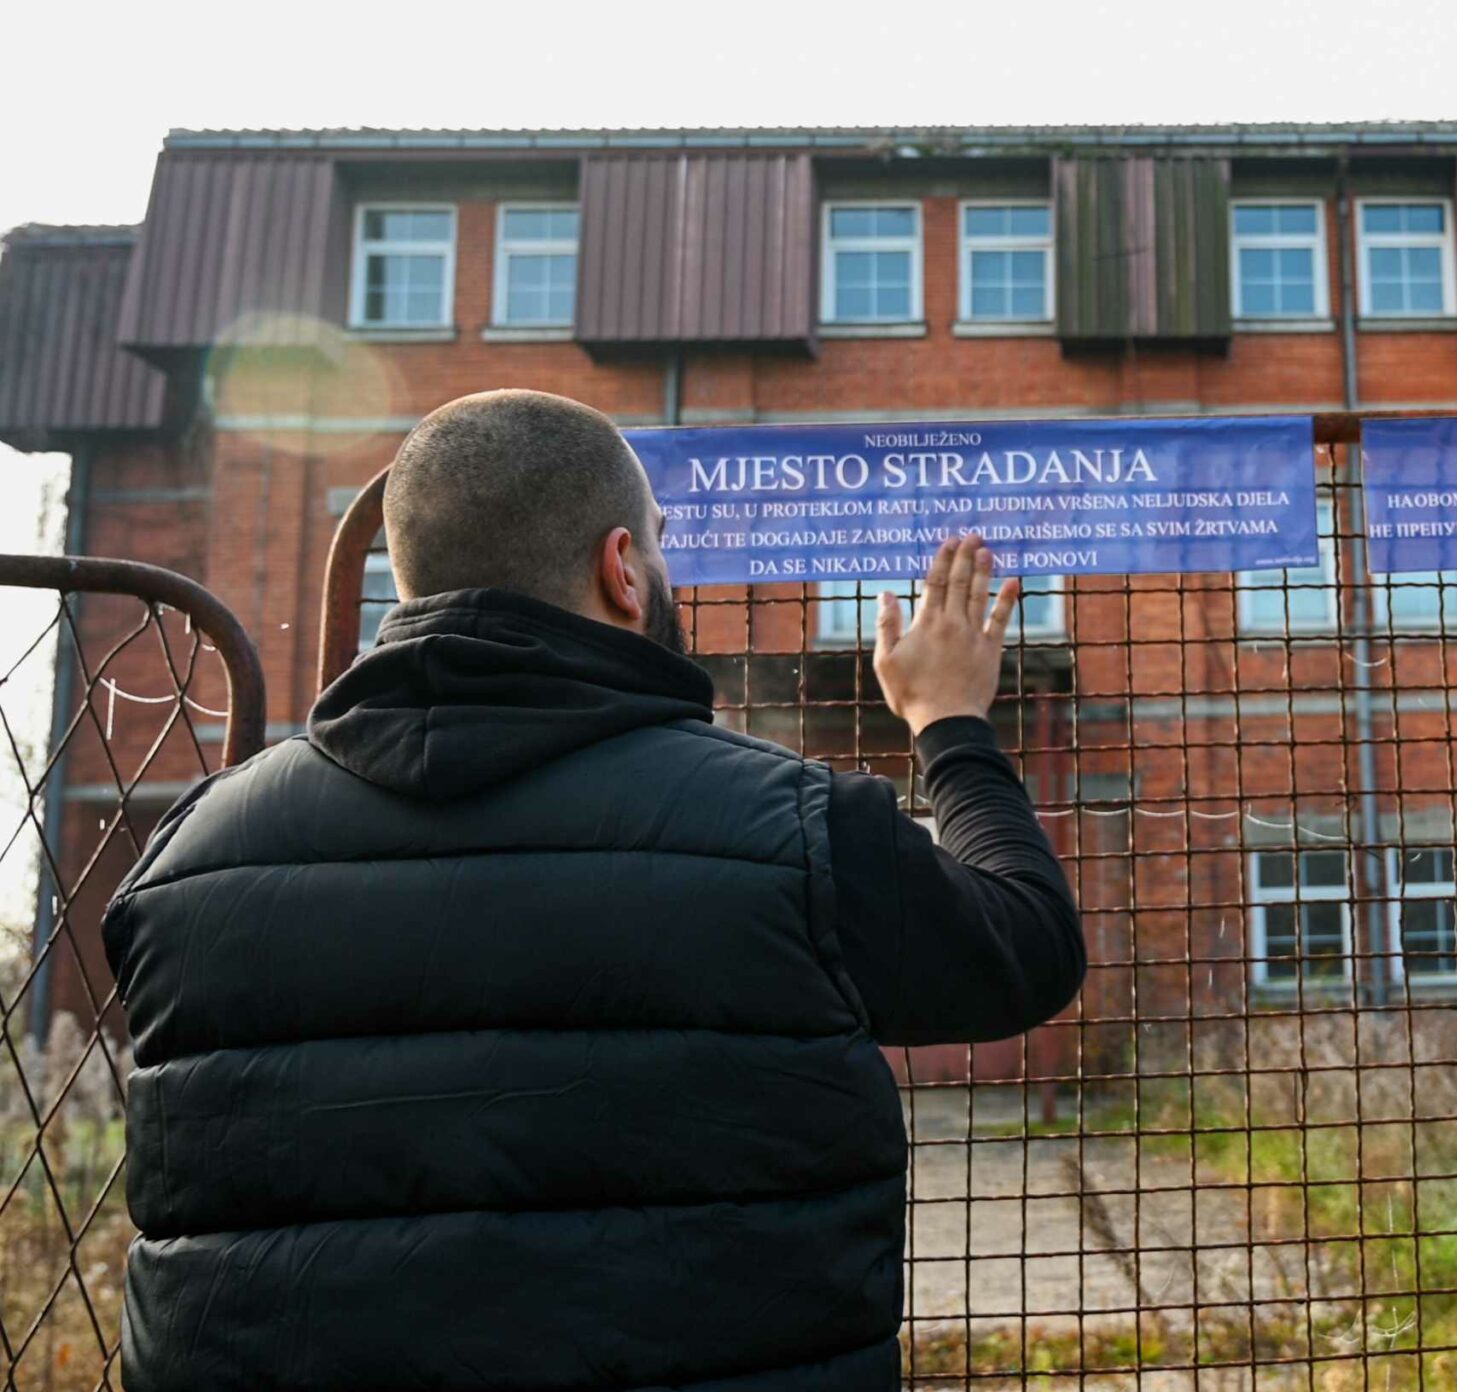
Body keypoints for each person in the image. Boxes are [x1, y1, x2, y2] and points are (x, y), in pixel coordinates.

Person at [103, 389, 1085, 1391]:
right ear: (622, 568)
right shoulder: (796, 829)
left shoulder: (188, 855)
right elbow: (1025, 952)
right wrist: (950, 726)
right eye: (658, 547)